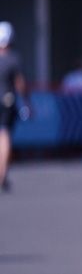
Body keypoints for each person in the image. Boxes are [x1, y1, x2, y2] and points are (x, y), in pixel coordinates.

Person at [0, 22, 30, 192]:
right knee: (4, 136)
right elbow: (20, 83)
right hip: (6, 100)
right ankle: (2, 172)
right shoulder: (13, 58)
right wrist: (26, 101)